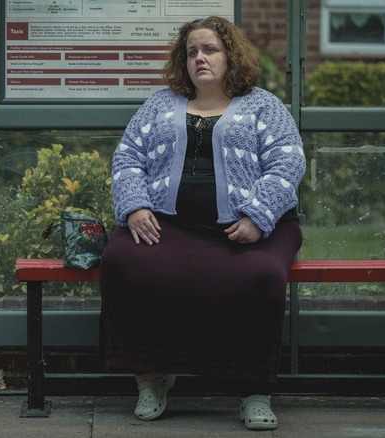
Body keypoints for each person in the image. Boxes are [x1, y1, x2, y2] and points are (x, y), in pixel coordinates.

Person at [98, 16, 305, 431]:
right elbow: (127, 158)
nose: (200, 58)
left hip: (245, 228)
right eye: (192, 51)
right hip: (169, 224)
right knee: (122, 261)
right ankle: (150, 378)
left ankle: (254, 391)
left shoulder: (263, 104)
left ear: (231, 55)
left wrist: (258, 215)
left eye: (209, 49)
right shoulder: (158, 104)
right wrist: (136, 206)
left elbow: (289, 160)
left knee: (261, 276)